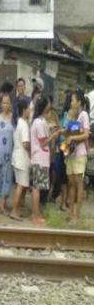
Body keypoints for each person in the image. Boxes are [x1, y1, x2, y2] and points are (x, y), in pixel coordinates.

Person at [29, 96, 61, 226]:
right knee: (37, 188)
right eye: (48, 103)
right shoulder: (39, 122)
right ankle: (35, 214)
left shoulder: (39, 121)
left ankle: (36, 213)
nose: (50, 105)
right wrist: (53, 136)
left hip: (39, 158)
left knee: (38, 187)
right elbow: (42, 142)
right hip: (39, 158)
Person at [65, 89, 90, 225]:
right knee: (71, 183)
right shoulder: (73, 115)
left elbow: (86, 134)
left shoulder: (84, 115)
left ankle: (76, 215)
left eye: (73, 100)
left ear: (79, 102)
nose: (71, 102)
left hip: (79, 153)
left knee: (78, 184)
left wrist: (73, 137)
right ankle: (70, 213)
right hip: (71, 153)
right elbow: (70, 130)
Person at [10, 99, 32, 221]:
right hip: (22, 157)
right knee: (22, 184)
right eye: (29, 108)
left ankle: (17, 208)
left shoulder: (17, 122)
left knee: (19, 184)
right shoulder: (23, 124)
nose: (30, 111)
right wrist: (31, 149)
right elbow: (25, 144)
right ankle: (14, 210)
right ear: (24, 110)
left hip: (16, 155)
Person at [0, 94, 15, 214]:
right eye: (4, 103)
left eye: (7, 103)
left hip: (9, 152)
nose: (5, 105)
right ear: (1, 104)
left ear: (10, 104)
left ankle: (4, 201)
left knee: (8, 176)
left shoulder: (13, 119)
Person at [55, 91, 73, 210]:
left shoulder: (76, 115)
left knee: (68, 176)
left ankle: (66, 200)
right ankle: (63, 201)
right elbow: (64, 130)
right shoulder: (67, 114)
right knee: (63, 176)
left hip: (70, 147)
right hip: (64, 147)